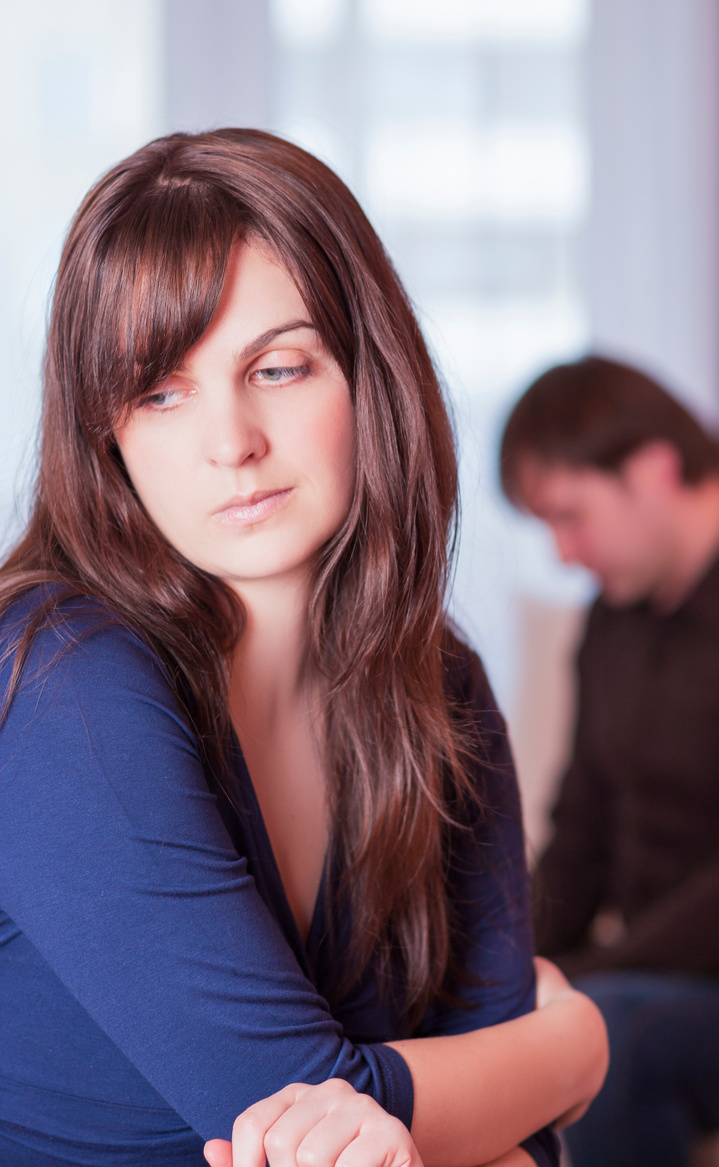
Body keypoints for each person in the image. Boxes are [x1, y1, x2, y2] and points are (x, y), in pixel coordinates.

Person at [0, 130, 608, 1167]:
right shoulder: (62, 680)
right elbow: (300, 1117)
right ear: (108, 434)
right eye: (160, 390)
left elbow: (506, 1150)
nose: (229, 440)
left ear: (369, 375)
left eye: (278, 368)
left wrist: (495, 1110)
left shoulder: (441, 685)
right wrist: (573, 1047)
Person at [499, 354, 719, 1167]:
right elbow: (579, 834)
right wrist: (509, 971)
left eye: (569, 516)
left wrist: (583, 978)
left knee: (608, 1029)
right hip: (650, 969)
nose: (563, 553)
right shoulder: (612, 622)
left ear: (654, 468)